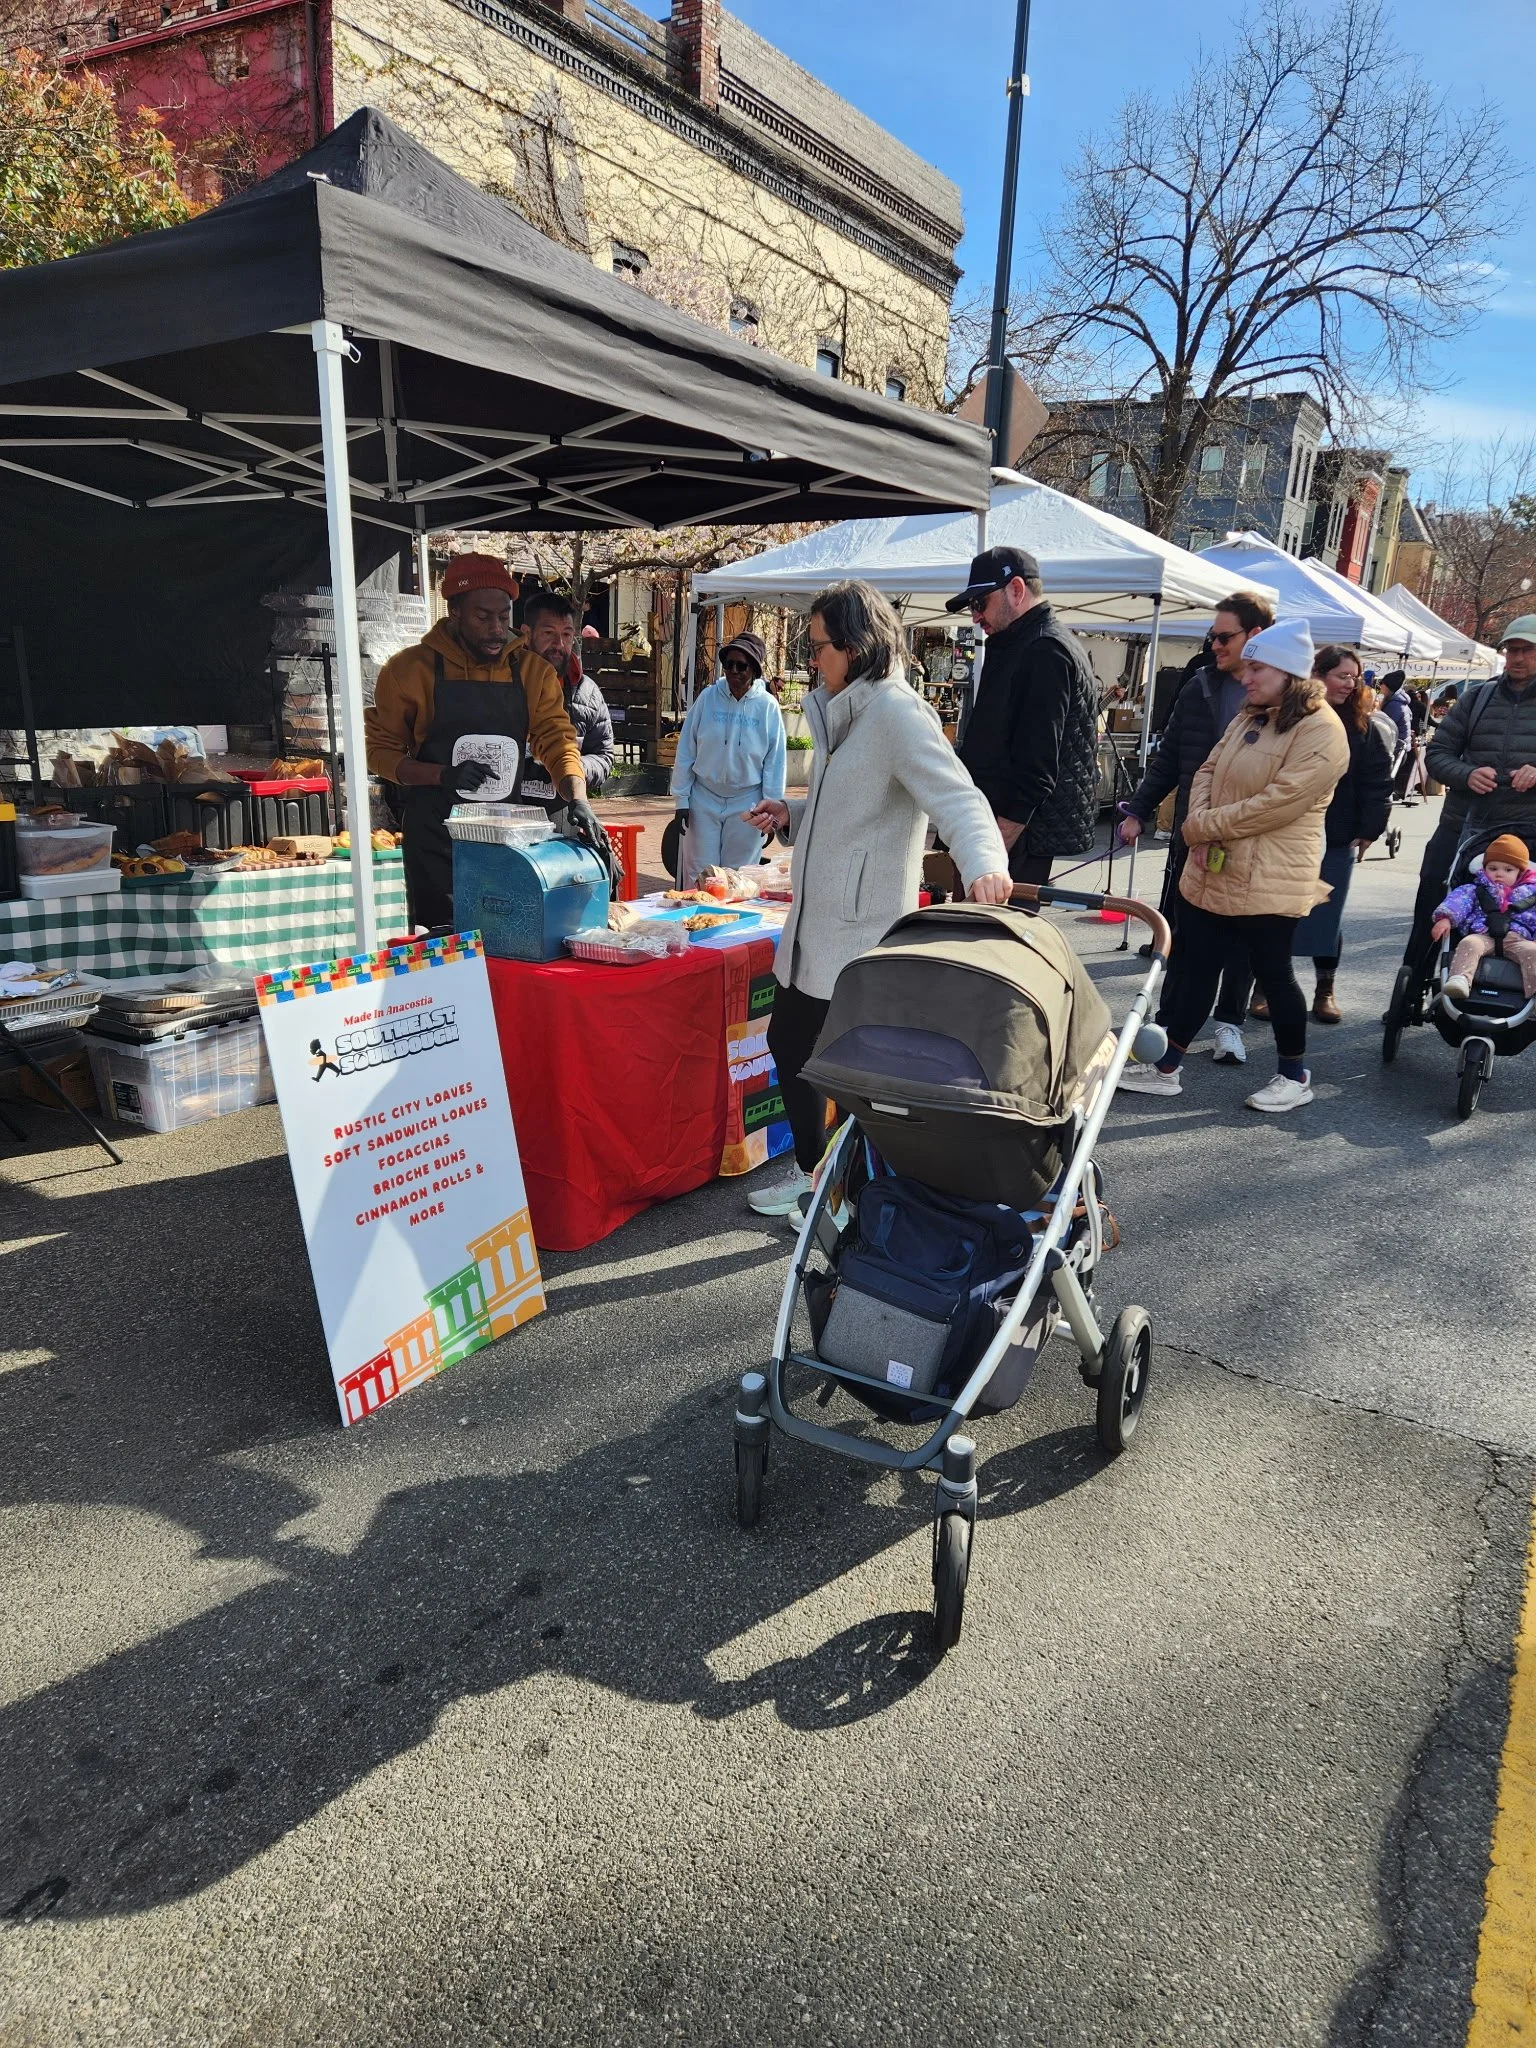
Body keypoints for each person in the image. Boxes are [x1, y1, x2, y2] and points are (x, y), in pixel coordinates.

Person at [739, 581, 1011, 1217]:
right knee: (791, 1048)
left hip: (861, 934)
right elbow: (846, 810)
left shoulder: (897, 713)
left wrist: (985, 866)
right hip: (811, 925)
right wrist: (792, 815)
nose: (813, 659)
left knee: (851, 1076)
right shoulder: (837, 707)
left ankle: (843, 1190)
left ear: (859, 646)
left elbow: (960, 800)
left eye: (821, 647)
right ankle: (818, 1180)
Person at [1116, 619, 1349, 1114]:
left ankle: (1293, 1074)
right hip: (1217, 864)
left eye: (1256, 667)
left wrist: (1204, 827)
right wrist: (1201, 822)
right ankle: (1166, 1068)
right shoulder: (1250, 716)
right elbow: (1206, 769)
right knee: (1196, 966)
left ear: (1287, 672)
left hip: (1271, 874)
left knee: (1273, 971)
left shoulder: (1323, 730)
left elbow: (1279, 803)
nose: (1245, 676)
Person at [366, 554, 604, 930]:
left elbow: (557, 742)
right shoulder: (409, 671)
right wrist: (442, 775)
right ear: (455, 611)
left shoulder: (532, 672)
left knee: (506, 939)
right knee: (445, 949)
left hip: (505, 841)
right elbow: (378, 752)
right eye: (483, 617)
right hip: (435, 841)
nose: (496, 629)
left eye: (504, 617)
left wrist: (577, 798)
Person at [1117, 590, 1277, 1061]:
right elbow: (1170, 759)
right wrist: (1137, 810)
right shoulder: (1199, 685)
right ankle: (1168, 1027)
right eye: (1213, 636)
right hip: (1194, 836)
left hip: (1250, 843)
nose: (1214, 645)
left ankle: (1229, 1023)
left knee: (1241, 942)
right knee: (1186, 936)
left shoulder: (1279, 699)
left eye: (1224, 636)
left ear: (1256, 636)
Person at [1251, 645, 1393, 1025]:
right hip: (1286, 832)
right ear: (1317, 674)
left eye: (1355, 677)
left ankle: (1324, 989)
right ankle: (1263, 986)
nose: (1351, 684)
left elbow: (1378, 781)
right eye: (1342, 676)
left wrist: (1369, 829)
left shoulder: (1363, 726)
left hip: (1337, 834)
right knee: (1275, 911)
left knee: (1327, 915)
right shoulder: (1290, 716)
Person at [947, 546, 1099, 887]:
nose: (975, 616)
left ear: (1016, 590)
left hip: (1014, 837)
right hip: (1002, 830)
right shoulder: (1025, 643)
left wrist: (993, 851)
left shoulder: (1044, 650)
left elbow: (1036, 768)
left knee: (989, 937)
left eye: (979, 603)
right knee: (976, 934)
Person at [1402, 616, 1536, 969]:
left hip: (1527, 830)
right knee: (1434, 899)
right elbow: (1438, 754)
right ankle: (1414, 985)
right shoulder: (1477, 697)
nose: (1517, 658)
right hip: (1464, 824)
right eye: (1512, 650)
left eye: (1527, 650)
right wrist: (1467, 774)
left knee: (1523, 914)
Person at [670, 631, 786, 888]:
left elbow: (775, 762)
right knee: (700, 875)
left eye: (741, 665)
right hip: (704, 797)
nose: (733, 671)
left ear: (754, 670)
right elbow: (687, 750)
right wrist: (682, 800)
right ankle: (698, 925)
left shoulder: (767, 707)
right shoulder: (707, 699)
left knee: (739, 877)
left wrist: (770, 813)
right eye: (728, 664)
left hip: (748, 801)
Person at [516, 590, 616, 808]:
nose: (559, 644)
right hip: (508, 811)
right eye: (548, 633)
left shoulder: (587, 693)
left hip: (565, 815)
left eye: (567, 635)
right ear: (526, 633)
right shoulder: (504, 683)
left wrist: (573, 768)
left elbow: (603, 756)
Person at [1434, 834, 1536, 1000]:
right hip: (1483, 934)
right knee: (1468, 943)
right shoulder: (1476, 889)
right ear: (1484, 868)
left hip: (1519, 939)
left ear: (1521, 873)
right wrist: (1445, 918)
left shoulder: (1531, 894)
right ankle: (1460, 979)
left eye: (1508, 870)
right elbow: (1458, 901)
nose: (1499, 874)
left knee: (1534, 952)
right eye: (1493, 868)